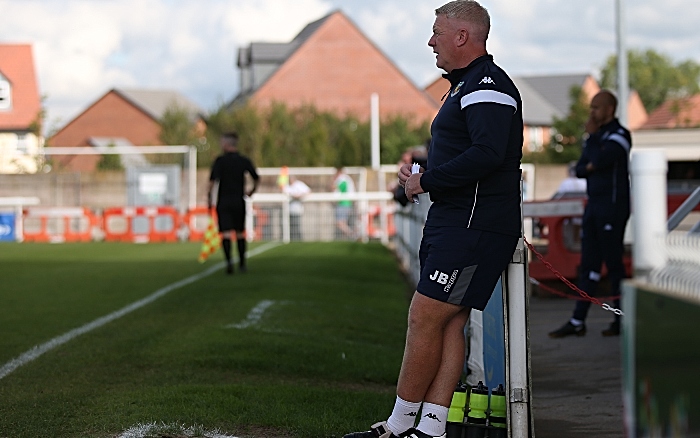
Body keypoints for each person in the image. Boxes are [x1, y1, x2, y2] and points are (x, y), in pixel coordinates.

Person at [344, 3, 523, 438]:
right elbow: (468, 151)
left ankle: (399, 425)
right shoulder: (465, 86)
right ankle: (431, 428)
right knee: (448, 323)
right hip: (458, 223)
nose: (430, 42)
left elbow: (487, 154)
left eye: (436, 32)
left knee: (424, 318)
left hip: (473, 227)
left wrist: (425, 182)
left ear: (463, 36)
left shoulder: (486, 86)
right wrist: (422, 175)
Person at [549, 90, 632, 338]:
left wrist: (593, 149)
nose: (592, 113)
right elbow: (582, 169)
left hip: (613, 207)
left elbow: (599, 160)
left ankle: (621, 320)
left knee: (614, 264)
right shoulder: (596, 137)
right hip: (593, 206)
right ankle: (578, 320)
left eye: (596, 108)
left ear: (610, 109)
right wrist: (592, 157)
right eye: (591, 107)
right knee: (589, 265)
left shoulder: (620, 135)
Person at [206, 132, 260, 274]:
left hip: (224, 201)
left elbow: (212, 182)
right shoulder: (243, 160)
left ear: (226, 144)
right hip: (238, 200)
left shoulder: (220, 161)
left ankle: (229, 263)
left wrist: (208, 198)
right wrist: (251, 191)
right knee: (240, 231)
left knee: (226, 233)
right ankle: (242, 264)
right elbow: (256, 177)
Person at [283, 175, 311, 241]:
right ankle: (291, 239)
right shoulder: (287, 186)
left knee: (296, 225)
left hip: (297, 209)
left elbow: (308, 191)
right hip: (288, 210)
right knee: (290, 226)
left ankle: (298, 239)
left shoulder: (299, 184)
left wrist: (299, 196)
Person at [332, 167, 356, 239]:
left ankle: (353, 235)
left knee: (340, 223)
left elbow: (335, 188)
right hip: (346, 203)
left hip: (343, 203)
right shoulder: (347, 179)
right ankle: (351, 236)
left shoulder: (342, 179)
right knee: (343, 223)